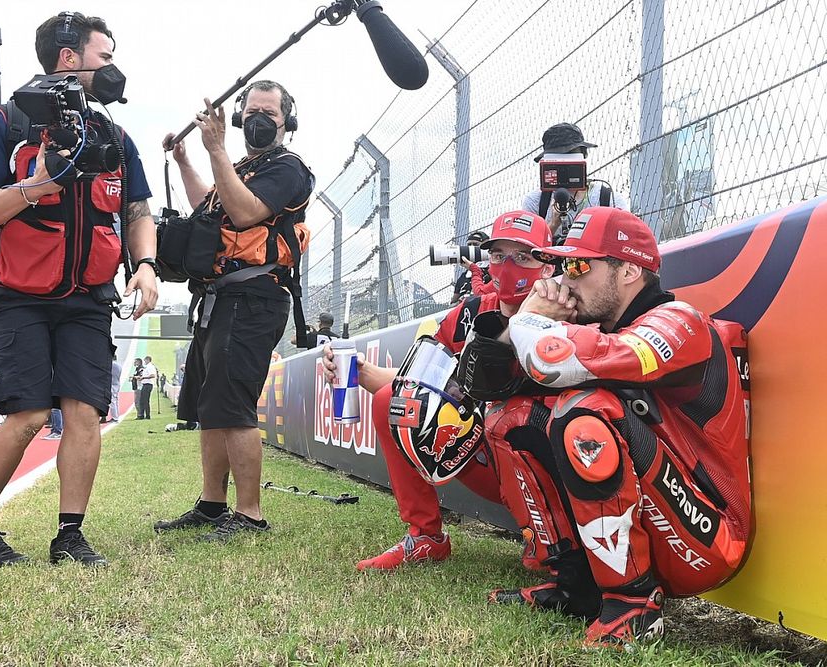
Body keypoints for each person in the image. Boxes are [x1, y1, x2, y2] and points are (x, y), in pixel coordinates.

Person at [482, 207, 751, 648]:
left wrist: (529, 318)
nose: (565, 280)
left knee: (581, 411)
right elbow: (483, 383)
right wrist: (524, 325)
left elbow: (556, 359)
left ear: (629, 270)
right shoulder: (595, 324)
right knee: (508, 419)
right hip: (661, 517)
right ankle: (576, 586)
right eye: (563, 264)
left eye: (579, 265)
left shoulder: (679, 321)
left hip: (710, 537)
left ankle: (634, 606)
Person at [0, 12, 158, 567]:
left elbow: (137, 208)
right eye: (105, 57)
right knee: (28, 416)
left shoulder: (113, 133)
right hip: (16, 293)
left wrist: (147, 263)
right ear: (70, 57)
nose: (113, 69)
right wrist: (35, 186)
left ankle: (70, 536)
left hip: (88, 297)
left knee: (85, 412)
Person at [321, 211, 555, 570]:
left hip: (548, 467)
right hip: (488, 462)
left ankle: (557, 542)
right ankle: (426, 536)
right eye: (498, 256)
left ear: (548, 265)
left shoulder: (566, 312)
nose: (507, 267)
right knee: (393, 401)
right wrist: (358, 372)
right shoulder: (469, 313)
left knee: (513, 416)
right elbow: (417, 382)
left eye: (522, 257)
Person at [155, 80, 315, 540]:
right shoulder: (244, 165)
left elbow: (245, 213)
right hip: (217, 297)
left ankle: (249, 513)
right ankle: (212, 504)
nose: (260, 119)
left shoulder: (288, 168)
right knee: (211, 405)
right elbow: (209, 205)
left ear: (288, 122)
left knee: (233, 405)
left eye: (271, 112)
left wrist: (216, 149)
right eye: (253, 110)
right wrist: (188, 159)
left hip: (254, 297)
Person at [521, 123, 629, 245]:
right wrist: (553, 224)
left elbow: (624, 242)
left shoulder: (607, 198)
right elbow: (527, 250)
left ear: (583, 155)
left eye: (569, 155)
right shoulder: (536, 201)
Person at [450, 229, 490, 304]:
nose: (471, 248)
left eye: (475, 244)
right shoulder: (464, 276)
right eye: (469, 245)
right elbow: (453, 302)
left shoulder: (493, 271)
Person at [137, 355, 157, 419]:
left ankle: (147, 415)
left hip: (148, 384)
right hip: (145, 384)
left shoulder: (150, 367)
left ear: (148, 360)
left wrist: (143, 377)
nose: (144, 361)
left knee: (145, 400)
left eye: (145, 360)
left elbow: (152, 375)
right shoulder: (147, 367)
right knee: (142, 400)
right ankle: (142, 415)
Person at [104, 354, 121, 423]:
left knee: (112, 401)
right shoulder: (119, 365)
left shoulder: (112, 365)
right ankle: (116, 416)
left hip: (112, 384)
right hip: (116, 383)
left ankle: (115, 417)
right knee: (115, 400)